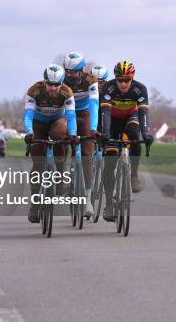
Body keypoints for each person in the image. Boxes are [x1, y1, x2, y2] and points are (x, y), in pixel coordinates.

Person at [23, 64, 77, 223]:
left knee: (60, 134)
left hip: (57, 120)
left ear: (61, 83)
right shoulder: (34, 90)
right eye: (50, 84)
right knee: (37, 165)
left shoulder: (67, 92)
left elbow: (71, 116)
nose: (53, 88)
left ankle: (60, 171)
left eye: (56, 84)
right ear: (44, 82)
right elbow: (28, 115)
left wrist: (73, 134)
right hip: (38, 123)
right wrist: (28, 132)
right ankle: (34, 204)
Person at [99, 61, 153, 220]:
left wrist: (146, 134)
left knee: (135, 135)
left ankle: (134, 174)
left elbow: (143, 112)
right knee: (109, 163)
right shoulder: (108, 88)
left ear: (132, 78)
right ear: (115, 78)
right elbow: (106, 113)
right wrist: (106, 134)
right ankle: (109, 205)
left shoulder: (140, 89)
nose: (123, 83)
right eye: (120, 80)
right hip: (113, 121)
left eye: (127, 80)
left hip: (131, 117)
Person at [63, 52, 99, 217]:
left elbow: (94, 104)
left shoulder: (90, 80)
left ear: (81, 70)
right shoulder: (61, 80)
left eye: (74, 71)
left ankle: (87, 198)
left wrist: (92, 128)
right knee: (59, 142)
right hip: (65, 114)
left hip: (84, 114)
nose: (70, 74)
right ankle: (62, 172)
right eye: (68, 71)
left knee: (86, 154)